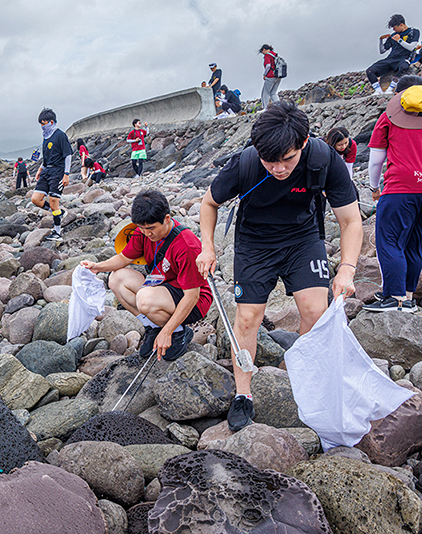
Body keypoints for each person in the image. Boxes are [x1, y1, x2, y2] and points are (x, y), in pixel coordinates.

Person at [196, 100, 362, 432]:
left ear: (302, 143)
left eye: (287, 160)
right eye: (270, 161)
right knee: (247, 317)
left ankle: (308, 382)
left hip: (303, 238)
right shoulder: (245, 164)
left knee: (315, 311)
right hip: (255, 242)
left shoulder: (324, 159)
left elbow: (350, 220)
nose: (279, 169)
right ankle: (243, 394)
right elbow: (209, 203)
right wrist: (208, 247)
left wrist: (347, 268)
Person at [81, 190, 212, 361]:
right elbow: (123, 258)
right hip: (162, 286)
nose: (146, 234)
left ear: (166, 219)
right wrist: (97, 267)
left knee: (144, 299)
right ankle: (154, 326)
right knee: (116, 279)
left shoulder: (186, 245)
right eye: (142, 228)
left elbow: (192, 296)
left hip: (194, 299)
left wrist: (168, 332)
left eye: (151, 228)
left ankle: (178, 332)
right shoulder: (143, 231)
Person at [362, 76, 422, 313]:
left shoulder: (389, 117)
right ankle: (407, 296)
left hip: (400, 188)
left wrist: (374, 188)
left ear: (398, 96)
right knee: (415, 245)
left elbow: (376, 160)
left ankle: (394, 298)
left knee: (389, 242)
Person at [32, 108, 72, 242]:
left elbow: (68, 155)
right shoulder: (46, 137)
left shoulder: (60, 135)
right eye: (40, 124)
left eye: (43, 123)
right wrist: (40, 168)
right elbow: (47, 156)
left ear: (51, 122)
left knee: (54, 201)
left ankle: (57, 232)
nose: (42, 127)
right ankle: (59, 213)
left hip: (58, 171)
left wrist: (66, 174)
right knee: (36, 199)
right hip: (47, 171)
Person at [366, 14, 420, 96]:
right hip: (391, 58)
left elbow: (412, 48)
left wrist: (399, 40)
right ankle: (378, 91)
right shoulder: (394, 35)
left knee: (403, 67)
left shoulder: (413, 32)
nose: (394, 30)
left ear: (401, 25)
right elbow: (382, 50)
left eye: (394, 27)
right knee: (370, 71)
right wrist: (381, 40)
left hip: (403, 58)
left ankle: (390, 89)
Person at [259, 44, 281, 110]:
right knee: (273, 93)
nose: (263, 53)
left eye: (262, 52)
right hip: (278, 76)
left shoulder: (267, 56)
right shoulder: (275, 55)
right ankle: (280, 107)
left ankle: (266, 108)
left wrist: (264, 74)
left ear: (264, 49)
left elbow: (268, 65)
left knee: (265, 93)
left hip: (270, 76)